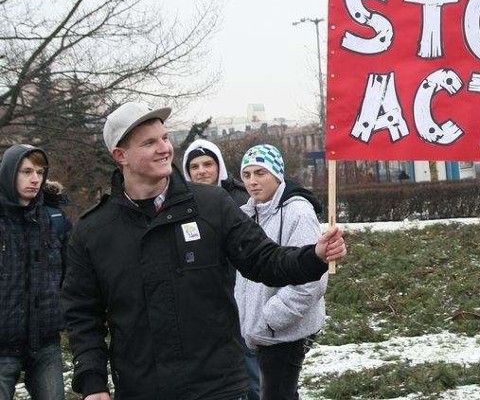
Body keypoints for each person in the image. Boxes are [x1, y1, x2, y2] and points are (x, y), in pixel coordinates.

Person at [62, 102, 347, 400]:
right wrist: (93, 384)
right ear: (121, 156)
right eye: (149, 142)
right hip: (141, 388)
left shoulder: (212, 205)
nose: (164, 148)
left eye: (164, 137)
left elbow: (266, 261)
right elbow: (82, 314)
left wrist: (313, 255)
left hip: (218, 387)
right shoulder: (93, 231)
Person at [235, 144, 327, 400]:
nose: (252, 182)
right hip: (259, 332)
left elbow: (312, 280)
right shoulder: (246, 215)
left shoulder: (298, 212)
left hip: (282, 332)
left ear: (277, 175)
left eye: (260, 173)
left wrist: (270, 319)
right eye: (247, 175)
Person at [182, 138, 259, 400]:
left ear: (219, 167)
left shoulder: (239, 200)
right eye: (194, 166)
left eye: (207, 164)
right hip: (203, 301)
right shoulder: (179, 205)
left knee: (251, 369)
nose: (201, 171)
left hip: (242, 293)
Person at [0, 145, 65, 400]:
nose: (35, 179)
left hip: (45, 341)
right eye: (26, 171)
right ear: (9, 173)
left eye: (40, 172)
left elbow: (68, 273)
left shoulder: (52, 218)